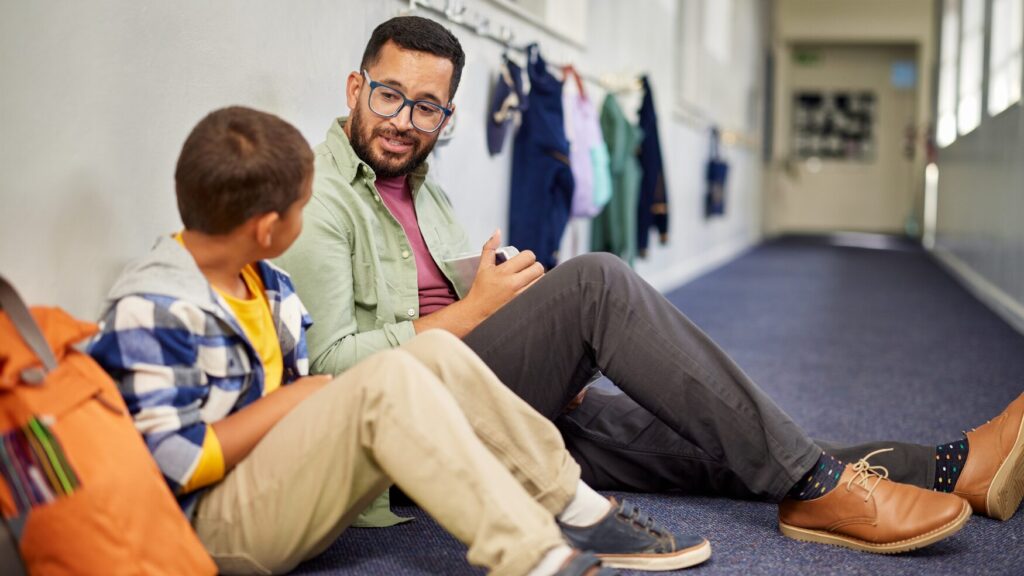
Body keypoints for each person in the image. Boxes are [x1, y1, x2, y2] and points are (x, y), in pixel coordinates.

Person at [274, 14, 1024, 555]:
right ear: (355, 85)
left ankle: (949, 469)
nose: (405, 121)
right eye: (389, 95)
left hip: (487, 400)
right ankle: (820, 486)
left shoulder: (422, 187)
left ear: (448, 115)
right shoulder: (318, 201)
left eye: (428, 107)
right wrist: (480, 312)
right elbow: (334, 375)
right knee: (597, 281)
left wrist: (515, 309)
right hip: (407, 437)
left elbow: (439, 300)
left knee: (717, 439)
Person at [86, 106, 715, 575]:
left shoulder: (269, 284)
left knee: (435, 353)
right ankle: (536, 559)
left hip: (285, 483)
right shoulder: (154, 307)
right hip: (212, 532)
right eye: (304, 208)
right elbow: (176, 463)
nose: (309, 219)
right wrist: (292, 401)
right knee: (385, 380)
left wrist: (308, 400)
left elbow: (309, 405)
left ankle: (577, 509)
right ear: (269, 227)